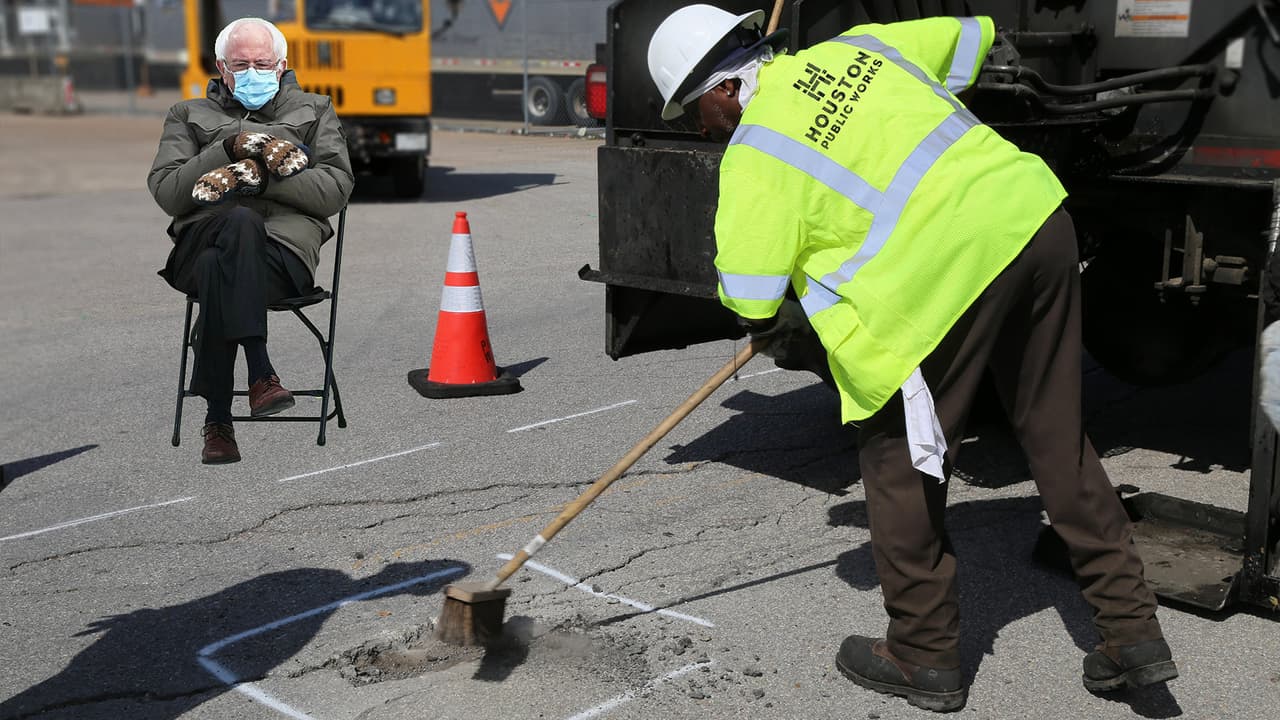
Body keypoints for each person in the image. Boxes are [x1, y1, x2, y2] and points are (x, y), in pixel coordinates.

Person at [648, 5, 1175, 712]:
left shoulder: (755, 155)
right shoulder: (861, 47)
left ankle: (924, 655)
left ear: (723, 89)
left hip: (941, 281)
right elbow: (974, 36)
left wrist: (776, 327)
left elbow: (749, 296)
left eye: (695, 113)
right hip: (1031, 224)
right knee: (1056, 438)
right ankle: (1132, 631)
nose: (702, 130)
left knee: (900, 465)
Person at [148, 17, 354, 465]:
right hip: (199, 242)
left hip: (281, 257)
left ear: (281, 66)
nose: (252, 72)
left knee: (217, 267)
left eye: (262, 63)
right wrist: (226, 149)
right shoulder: (186, 114)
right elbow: (167, 193)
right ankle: (260, 372)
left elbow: (335, 191)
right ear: (222, 68)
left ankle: (218, 422)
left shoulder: (315, 109)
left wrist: (260, 179)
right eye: (241, 65)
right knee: (234, 227)